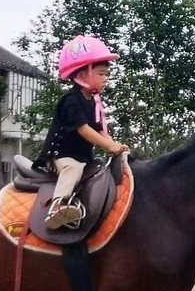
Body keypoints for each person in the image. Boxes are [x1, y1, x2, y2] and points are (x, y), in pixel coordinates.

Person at [33, 35, 129, 230]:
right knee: (73, 169)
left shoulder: (93, 102)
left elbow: (102, 131)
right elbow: (84, 130)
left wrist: (117, 148)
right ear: (84, 75)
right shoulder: (71, 100)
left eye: (106, 75)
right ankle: (57, 207)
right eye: (101, 74)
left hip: (83, 157)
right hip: (61, 157)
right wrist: (110, 146)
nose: (106, 79)